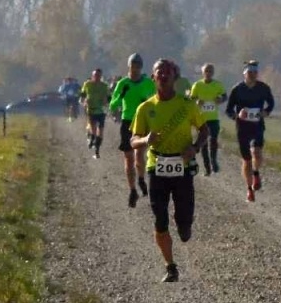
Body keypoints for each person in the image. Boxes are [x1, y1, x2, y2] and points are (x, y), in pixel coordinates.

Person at [129, 59, 209, 283]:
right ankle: (170, 266)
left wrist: (194, 148)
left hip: (182, 168)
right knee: (160, 219)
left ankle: (185, 226)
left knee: (183, 220)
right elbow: (133, 140)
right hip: (157, 167)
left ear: (175, 77)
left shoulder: (187, 104)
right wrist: (145, 139)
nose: (163, 77)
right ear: (153, 78)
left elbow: (204, 130)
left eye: (167, 73)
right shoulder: (145, 108)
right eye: (159, 73)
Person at [110, 54, 156, 208]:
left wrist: (147, 101)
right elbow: (112, 105)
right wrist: (120, 97)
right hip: (127, 121)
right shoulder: (122, 83)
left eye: (138, 66)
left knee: (139, 154)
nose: (135, 69)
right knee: (128, 158)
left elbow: (156, 99)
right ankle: (132, 190)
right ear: (128, 66)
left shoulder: (149, 83)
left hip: (142, 122)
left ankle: (141, 178)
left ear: (141, 67)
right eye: (133, 66)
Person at [226, 61, 275, 202]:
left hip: (257, 125)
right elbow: (228, 110)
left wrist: (266, 112)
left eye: (255, 72)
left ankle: (256, 173)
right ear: (244, 74)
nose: (253, 75)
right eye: (250, 73)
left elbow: (271, 103)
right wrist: (237, 116)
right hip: (242, 128)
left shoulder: (263, 88)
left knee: (257, 152)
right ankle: (249, 189)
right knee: (246, 159)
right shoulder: (237, 89)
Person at [187, 65, 227, 175]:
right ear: (203, 72)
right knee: (203, 143)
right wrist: (196, 102)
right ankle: (207, 167)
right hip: (201, 119)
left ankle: (213, 160)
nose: (208, 73)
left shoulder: (217, 85)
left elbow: (225, 96)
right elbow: (191, 98)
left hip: (213, 118)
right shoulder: (197, 85)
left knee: (213, 140)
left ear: (213, 72)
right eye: (206, 71)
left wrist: (220, 99)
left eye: (210, 71)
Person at [80, 69, 111, 157]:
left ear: (101, 76)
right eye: (95, 75)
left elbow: (109, 97)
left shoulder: (104, 86)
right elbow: (82, 95)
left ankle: (97, 148)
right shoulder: (87, 84)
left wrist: (107, 101)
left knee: (100, 130)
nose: (97, 77)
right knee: (93, 128)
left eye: (99, 76)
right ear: (92, 76)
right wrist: (84, 101)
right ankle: (92, 138)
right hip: (91, 109)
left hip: (101, 110)